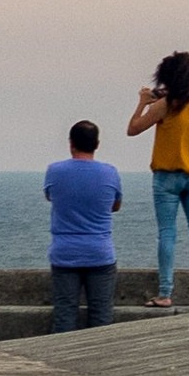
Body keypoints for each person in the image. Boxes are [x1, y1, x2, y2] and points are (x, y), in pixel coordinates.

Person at [127, 48, 189, 309]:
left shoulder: (164, 106)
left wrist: (143, 102)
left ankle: (165, 293)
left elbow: (133, 129)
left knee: (167, 234)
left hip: (167, 178)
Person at [42, 119, 123, 330]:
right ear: (97, 144)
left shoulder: (54, 171)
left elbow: (50, 196)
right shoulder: (110, 172)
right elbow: (115, 205)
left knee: (65, 314)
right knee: (101, 316)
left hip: (65, 253)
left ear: (71, 143)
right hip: (100, 253)